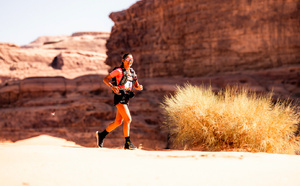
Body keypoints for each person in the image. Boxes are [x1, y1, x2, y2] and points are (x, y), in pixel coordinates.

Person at [96, 53, 143, 150]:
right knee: (128, 119)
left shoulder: (132, 73)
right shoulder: (118, 71)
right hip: (119, 96)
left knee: (118, 122)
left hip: (126, 98)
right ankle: (128, 143)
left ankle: (101, 135)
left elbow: (136, 85)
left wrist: (139, 87)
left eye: (131, 59)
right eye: (128, 59)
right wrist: (112, 87)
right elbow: (105, 79)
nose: (130, 61)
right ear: (123, 60)